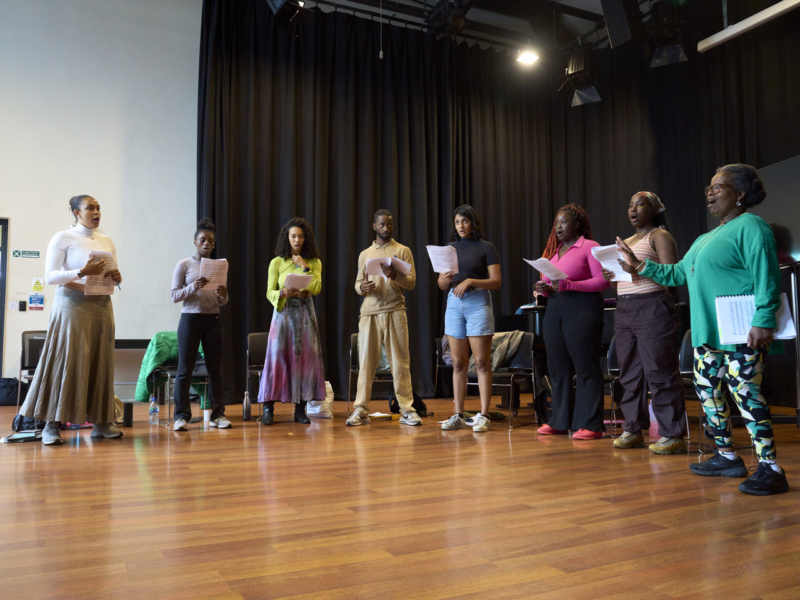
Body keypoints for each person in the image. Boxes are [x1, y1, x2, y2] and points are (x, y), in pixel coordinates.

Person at [617, 164, 789, 495]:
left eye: (718, 187)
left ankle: (770, 468)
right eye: (709, 187)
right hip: (708, 334)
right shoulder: (703, 239)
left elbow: (766, 274)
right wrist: (638, 265)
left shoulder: (751, 227)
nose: (710, 192)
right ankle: (727, 456)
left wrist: (763, 319)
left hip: (740, 331)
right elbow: (675, 274)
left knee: (746, 394)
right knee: (708, 393)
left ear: (739, 194)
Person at [20, 195, 123, 445]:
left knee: (100, 360)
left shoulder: (106, 240)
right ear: (77, 212)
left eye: (98, 208)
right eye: (90, 208)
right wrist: (81, 272)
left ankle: (101, 423)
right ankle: (51, 425)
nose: (96, 212)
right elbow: (50, 277)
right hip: (71, 305)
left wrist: (117, 277)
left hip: (101, 305)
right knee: (65, 359)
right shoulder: (63, 237)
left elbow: (109, 275)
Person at [602, 192, 687, 454]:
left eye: (640, 205)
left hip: (653, 306)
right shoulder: (625, 242)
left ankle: (672, 434)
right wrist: (611, 276)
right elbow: (622, 281)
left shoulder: (660, 236)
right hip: (625, 308)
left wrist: (637, 265)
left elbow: (672, 276)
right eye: (630, 205)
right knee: (629, 373)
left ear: (654, 210)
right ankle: (633, 429)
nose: (633, 209)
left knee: (659, 371)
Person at [535, 204, 609, 440]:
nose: (558, 227)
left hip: (582, 310)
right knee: (558, 368)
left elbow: (602, 281)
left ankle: (590, 424)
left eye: (563, 222)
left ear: (576, 224)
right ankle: (559, 421)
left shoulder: (590, 247)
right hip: (555, 310)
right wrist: (541, 288)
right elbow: (550, 287)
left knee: (585, 366)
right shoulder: (554, 253)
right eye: (556, 223)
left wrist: (570, 285)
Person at [347, 209, 422, 427]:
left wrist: (395, 275)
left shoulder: (402, 250)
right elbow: (357, 283)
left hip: (395, 310)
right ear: (374, 226)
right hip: (369, 313)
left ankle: (407, 410)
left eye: (389, 224)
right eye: (381, 225)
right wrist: (362, 287)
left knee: (400, 363)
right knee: (366, 363)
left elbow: (411, 282)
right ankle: (361, 410)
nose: (385, 228)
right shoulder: (365, 254)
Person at [439, 205, 501, 433]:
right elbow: (441, 284)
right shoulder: (450, 249)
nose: (461, 226)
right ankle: (458, 414)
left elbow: (496, 281)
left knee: (482, 362)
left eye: (465, 221)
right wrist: (445, 280)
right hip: (454, 302)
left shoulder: (486, 247)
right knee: (457, 363)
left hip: (477, 302)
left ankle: (484, 415)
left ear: (473, 222)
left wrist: (471, 281)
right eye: (457, 222)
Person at [259, 217, 325, 425]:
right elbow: (269, 291)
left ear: (306, 239)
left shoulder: (314, 262)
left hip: (305, 312)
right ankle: (268, 407)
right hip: (283, 312)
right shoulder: (277, 262)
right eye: (293, 236)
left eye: (301, 236)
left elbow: (316, 288)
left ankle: (300, 409)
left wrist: (305, 267)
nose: (297, 240)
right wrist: (282, 292)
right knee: (276, 357)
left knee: (306, 360)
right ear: (287, 238)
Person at [170, 218, 231, 431]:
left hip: (213, 320)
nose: (207, 244)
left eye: (211, 241)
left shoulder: (219, 266)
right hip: (190, 320)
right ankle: (181, 417)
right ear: (195, 241)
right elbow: (174, 296)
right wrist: (193, 287)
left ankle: (218, 415)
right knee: (184, 370)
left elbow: (222, 301)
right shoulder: (184, 265)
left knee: (215, 370)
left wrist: (223, 294)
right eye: (203, 240)